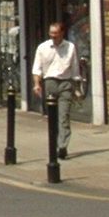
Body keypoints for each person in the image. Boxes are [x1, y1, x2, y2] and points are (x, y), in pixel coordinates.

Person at [32, 20, 81, 159]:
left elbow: (75, 68)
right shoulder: (43, 47)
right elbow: (37, 68)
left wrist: (76, 87)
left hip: (66, 83)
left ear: (62, 33)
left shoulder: (70, 47)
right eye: (51, 33)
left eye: (55, 33)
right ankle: (53, 143)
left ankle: (62, 146)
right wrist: (37, 84)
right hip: (50, 83)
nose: (52, 35)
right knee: (52, 117)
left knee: (64, 116)